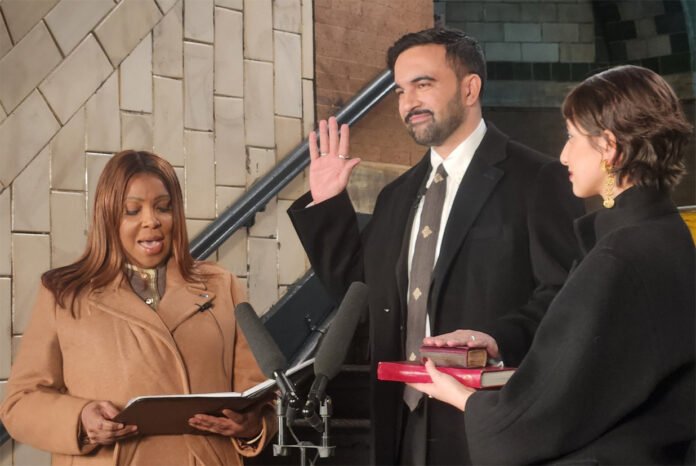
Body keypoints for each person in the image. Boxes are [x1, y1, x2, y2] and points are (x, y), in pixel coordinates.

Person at [288, 27, 584, 465]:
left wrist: (497, 340)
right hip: (401, 422)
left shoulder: (538, 179)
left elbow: (565, 295)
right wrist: (328, 204)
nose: (408, 103)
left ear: (470, 88)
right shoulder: (396, 196)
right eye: (400, 90)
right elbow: (360, 292)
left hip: (489, 423)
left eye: (423, 84)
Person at [409, 65, 695, 464]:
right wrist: (496, 341)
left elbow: (537, 416)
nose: (562, 155)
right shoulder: (667, 235)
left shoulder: (619, 255)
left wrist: (464, 399)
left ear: (609, 146)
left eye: (571, 137)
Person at [0, 150, 276, 466]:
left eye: (163, 208)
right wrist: (80, 418)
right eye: (132, 210)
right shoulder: (64, 293)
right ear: (108, 216)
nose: (151, 221)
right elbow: (19, 405)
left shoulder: (221, 286)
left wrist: (254, 426)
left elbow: (261, 393)